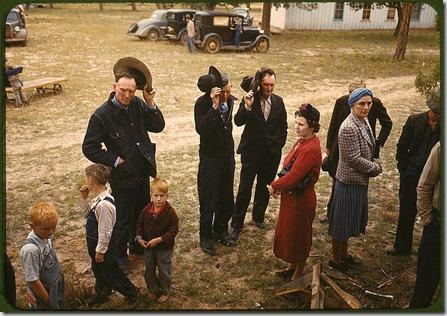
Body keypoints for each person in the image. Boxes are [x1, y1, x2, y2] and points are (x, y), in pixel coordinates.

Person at [82, 57, 165, 273]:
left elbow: (158, 125)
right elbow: (89, 148)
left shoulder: (137, 103)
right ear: (114, 87)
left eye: (131, 91)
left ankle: (136, 248)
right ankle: (119, 257)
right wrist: (116, 161)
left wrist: (149, 102)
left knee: (140, 213)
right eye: (123, 90)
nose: (127, 95)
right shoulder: (101, 115)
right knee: (122, 220)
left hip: (142, 171)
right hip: (122, 176)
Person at [229, 67, 288, 243]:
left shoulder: (278, 102)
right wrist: (246, 107)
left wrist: (279, 145)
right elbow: (238, 121)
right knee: (244, 189)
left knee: (264, 187)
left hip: (271, 154)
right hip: (251, 153)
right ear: (259, 84)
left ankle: (258, 216)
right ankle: (236, 225)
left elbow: (283, 126)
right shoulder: (250, 99)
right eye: (265, 85)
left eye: (272, 85)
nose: (269, 88)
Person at [328, 88, 382, 272]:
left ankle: (344, 255)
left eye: (369, 103)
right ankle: (336, 259)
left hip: (358, 181)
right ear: (353, 104)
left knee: (348, 221)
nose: (366, 107)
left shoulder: (363, 120)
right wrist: (375, 167)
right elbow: (353, 159)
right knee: (341, 223)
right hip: (348, 182)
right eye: (362, 103)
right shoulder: (349, 127)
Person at [324, 79, 392, 221]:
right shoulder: (341, 101)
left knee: (358, 182)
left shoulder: (375, 103)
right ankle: (332, 215)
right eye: (352, 95)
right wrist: (329, 147)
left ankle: (352, 217)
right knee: (337, 182)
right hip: (340, 150)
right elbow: (333, 124)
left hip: (364, 149)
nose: (365, 106)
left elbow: (387, 123)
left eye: (367, 102)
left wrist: (378, 143)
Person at [268, 103, 322, 281]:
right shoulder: (301, 141)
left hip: (301, 200)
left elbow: (294, 177)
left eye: (301, 124)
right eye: (296, 123)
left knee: (299, 236)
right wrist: (281, 186)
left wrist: (275, 186)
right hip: (291, 197)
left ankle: (298, 272)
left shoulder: (311, 149)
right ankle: (292, 266)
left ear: (312, 126)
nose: (296, 127)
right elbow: (288, 168)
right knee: (290, 234)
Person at [385, 89, 440, 256]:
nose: (437, 115)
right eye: (436, 111)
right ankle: (401, 246)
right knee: (406, 211)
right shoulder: (414, 120)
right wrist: (404, 169)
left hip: (433, 179)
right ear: (430, 108)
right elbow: (402, 145)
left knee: (430, 214)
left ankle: (428, 250)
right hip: (411, 173)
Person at [79, 163, 138, 305]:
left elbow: (105, 232)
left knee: (111, 272)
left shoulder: (104, 205)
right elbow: (86, 214)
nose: (85, 181)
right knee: (98, 270)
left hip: (103, 247)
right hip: (95, 244)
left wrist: (100, 251)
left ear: (92, 181)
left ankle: (131, 292)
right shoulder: (98, 199)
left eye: (86, 178)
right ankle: (102, 292)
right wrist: (84, 198)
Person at [194, 66, 236, 255]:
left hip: (227, 156)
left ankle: (221, 230)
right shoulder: (202, 104)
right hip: (210, 158)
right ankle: (206, 236)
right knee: (208, 199)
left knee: (226, 197)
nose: (227, 96)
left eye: (229, 92)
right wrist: (214, 106)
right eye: (224, 92)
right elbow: (202, 129)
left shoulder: (231, 102)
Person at [136, 177, 179, 304]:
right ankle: (153, 289)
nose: (159, 199)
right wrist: (139, 238)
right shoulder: (146, 211)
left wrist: (159, 240)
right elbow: (139, 226)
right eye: (156, 195)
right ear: (151, 195)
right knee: (149, 269)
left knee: (164, 269)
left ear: (167, 195)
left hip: (164, 248)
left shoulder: (170, 213)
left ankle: (165, 291)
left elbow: (173, 231)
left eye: (162, 195)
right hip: (148, 247)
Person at [409, 141, 440, 308]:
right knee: (427, 279)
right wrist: (428, 220)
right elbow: (424, 186)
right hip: (438, 224)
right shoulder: (441, 148)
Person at [20, 202, 65, 309]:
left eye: (54, 227)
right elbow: (33, 280)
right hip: (44, 295)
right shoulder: (30, 250)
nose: (51, 232)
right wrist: (48, 302)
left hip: (55, 286)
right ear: (32, 226)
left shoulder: (45, 236)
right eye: (46, 229)